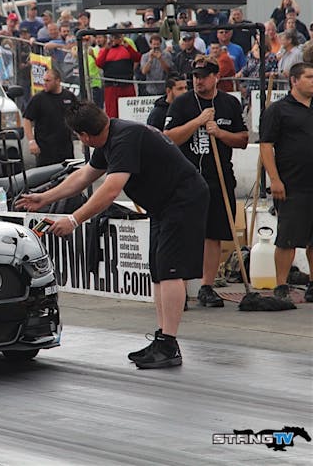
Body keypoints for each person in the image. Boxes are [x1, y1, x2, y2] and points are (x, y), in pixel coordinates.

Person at [16, 101, 208, 369]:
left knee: (170, 271)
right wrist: (44, 197)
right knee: (158, 269)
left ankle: (169, 344)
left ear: (84, 137)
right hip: (163, 205)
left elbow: (110, 190)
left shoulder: (124, 139)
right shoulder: (111, 135)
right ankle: (163, 339)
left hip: (183, 201)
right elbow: (84, 176)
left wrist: (74, 219)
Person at [164, 55, 248, 307]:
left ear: (216, 77)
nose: (198, 81)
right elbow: (169, 137)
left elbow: (243, 139)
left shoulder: (229, 103)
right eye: (195, 77)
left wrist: (220, 132)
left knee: (214, 234)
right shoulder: (182, 103)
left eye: (203, 76)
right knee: (186, 233)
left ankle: (206, 286)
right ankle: (180, 288)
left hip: (219, 177)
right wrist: (197, 122)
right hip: (187, 179)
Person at [259, 62, 313, 302]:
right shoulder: (278, 110)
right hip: (291, 184)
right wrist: (274, 179)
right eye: (309, 77)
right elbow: (266, 146)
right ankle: (281, 284)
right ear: (294, 80)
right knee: (287, 239)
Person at [23, 68, 78, 166]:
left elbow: (78, 118)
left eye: (48, 81)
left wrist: (82, 137)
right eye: (44, 80)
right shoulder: (38, 99)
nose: (44, 83)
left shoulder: (69, 97)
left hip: (65, 148)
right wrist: (31, 141)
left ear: (58, 81)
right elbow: (27, 119)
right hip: (45, 150)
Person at [95, 33, 141, 118]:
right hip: (111, 87)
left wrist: (128, 47)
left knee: (129, 114)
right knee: (112, 114)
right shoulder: (104, 50)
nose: (115, 39)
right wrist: (106, 49)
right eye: (113, 37)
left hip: (127, 86)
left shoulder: (127, 48)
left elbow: (137, 58)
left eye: (117, 37)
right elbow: (99, 63)